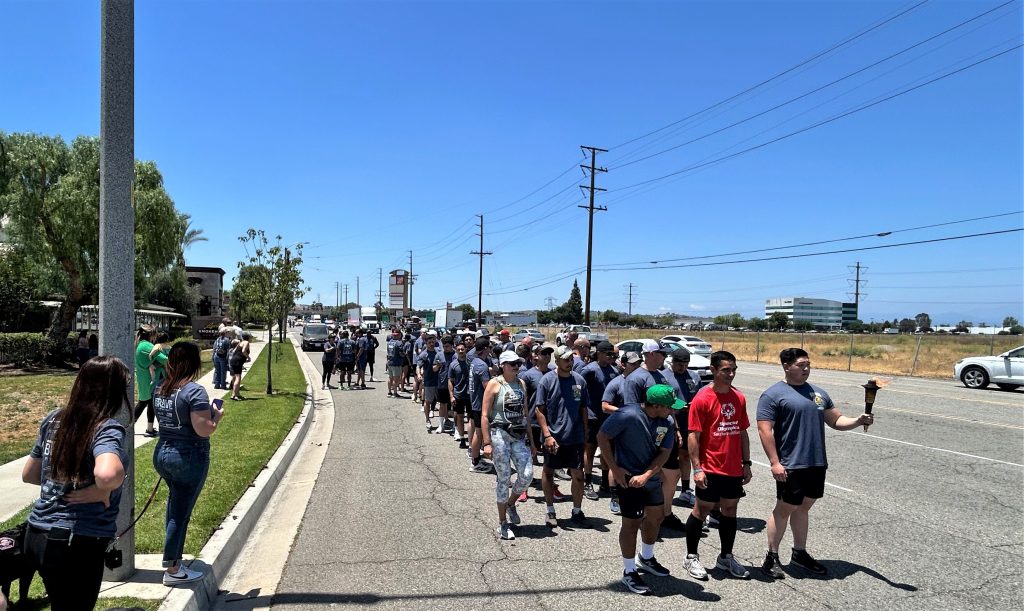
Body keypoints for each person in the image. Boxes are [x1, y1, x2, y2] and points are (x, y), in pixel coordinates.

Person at [21, 356, 131, 610]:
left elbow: (30, 474)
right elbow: (107, 474)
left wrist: (70, 484)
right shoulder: (106, 427)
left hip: (37, 534)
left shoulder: (53, 419)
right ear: (113, 391)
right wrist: (105, 487)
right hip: (74, 540)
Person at [757, 347, 874, 579]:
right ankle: (771, 556)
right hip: (791, 463)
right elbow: (764, 429)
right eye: (801, 365)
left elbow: (836, 420)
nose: (806, 369)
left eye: (808, 364)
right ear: (786, 366)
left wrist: (858, 420)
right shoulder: (773, 395)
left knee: (804, 507)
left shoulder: (818, 394)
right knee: (784, 508)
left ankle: (799, 553)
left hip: (816, 462)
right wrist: (774, 462)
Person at [152, 342, 224, 586]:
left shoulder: (161, 387)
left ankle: (174, 561)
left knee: (175, 507)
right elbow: (203, 429)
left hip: (163, 452)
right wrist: (216, 416)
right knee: (180, 513)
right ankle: (173, 569)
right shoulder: (194, 391)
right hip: (187, 456)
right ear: (194, 363)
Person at [683, 351, 752, 581]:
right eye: (726, 370)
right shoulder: (703, 398)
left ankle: (725, 556)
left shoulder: (738, 398)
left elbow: (742, 432)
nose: (731, 374)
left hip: (733, 468)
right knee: (701, 510)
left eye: (734, 369)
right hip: (710, 467)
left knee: (730, 511)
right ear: (713, 370)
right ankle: (691, 556)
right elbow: (694, 435)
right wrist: (697, 468)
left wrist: (747, 463)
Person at [482, 351, 536, 540]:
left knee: (527, 474)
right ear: (502, 365)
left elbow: (526, 413)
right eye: (512, 364)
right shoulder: (494, 384)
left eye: (518, 363)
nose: (516, 366)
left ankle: (511, 503)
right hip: (499, 435)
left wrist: (532, 442)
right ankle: (503, 522)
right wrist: (487, 443)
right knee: (504, 478)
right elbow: (484, 415)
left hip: (518, 435)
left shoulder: (521, 384)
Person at [535, 345, 591, 528]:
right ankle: (550, 510)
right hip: (554, 437)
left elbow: (584, 408)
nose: (570, 362)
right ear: (557, 361)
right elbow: (539, 410)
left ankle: (577, 510)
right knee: (549, 472)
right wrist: (547, 434)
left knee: (578, 474)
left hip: (575, 437)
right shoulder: (547, 381)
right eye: (566, 360)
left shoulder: (579, 381)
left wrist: (585, 431)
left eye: (571, 359)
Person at [601, 351, 643, 515]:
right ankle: (615, 497)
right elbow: (604, 406)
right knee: (616, 463)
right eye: (633, 364)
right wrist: (626, 413)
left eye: (639, 363)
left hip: (638, 429)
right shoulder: (616, 383)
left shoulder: (641, 382)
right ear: (624, 364)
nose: (637, 366)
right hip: (618, 428)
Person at [668, 347, 707, 511]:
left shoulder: (694, 376)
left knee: (686, 455)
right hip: (672, 421)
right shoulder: (665, 377)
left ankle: (685, 489)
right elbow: (664, 399)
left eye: (685, 363)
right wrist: (680, 406)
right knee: (668, 459)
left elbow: (700, 396)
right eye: (678, 363)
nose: (682, 367)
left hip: (691, 423)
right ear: (672, 362)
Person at [580, 341, 619, 501]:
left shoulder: (614, 371)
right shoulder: (589, 370)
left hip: (608, 417)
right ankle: (587, 481)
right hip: (592, 416)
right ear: (599, 353)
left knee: (607, 450)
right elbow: (578, 388)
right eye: (608, 354)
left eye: (613, 355)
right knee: (589, 450)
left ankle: (605, 481)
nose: (611, 357)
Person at [467, 337, 494, 473]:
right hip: (479, 403)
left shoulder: (475, 362)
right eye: (489, 347)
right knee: (479, 432)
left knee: (478, 432)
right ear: (485, 349)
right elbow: (487, 387)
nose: (490, 349)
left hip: (474, 401)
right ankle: (475, 462)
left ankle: (475, 457)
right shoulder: (481, 365)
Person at [133, 324, 158, 436]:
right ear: (151, 335)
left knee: (146, 403)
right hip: (149, 379)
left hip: (143, 378)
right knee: (145, 403)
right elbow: (163, 359)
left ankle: (149, 428)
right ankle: (148, 429)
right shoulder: (147, 345)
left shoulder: (140, 345)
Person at [448, 340, 472, 448]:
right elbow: (450, 381)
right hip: (459, 395)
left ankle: (472, 442)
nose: (461, 351)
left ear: (466, 349)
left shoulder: (471, 363)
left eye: (462, 349)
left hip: (471, 395)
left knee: (471, 419)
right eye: (459, 349)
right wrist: (451, 396)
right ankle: (462, 438)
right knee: (460, 417)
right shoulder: (453, 365)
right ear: (456, 351)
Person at [416, 333, 443, 432]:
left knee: (443, 402)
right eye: (429, 342)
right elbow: (418, 366)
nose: (432, 344)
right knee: (428, 401)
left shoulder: (439, 352)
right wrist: (419, 374)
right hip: (429, 381)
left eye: (433, 342)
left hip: (440, 381)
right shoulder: (424, 354)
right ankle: (427, 420)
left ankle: (444, 421)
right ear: (426, 343)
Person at [436, 336, 456, 434]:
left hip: (454, 384)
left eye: (447, 346)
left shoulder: (456, 355)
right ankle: (441, 425)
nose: (445, 348)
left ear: (452, 346)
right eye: (444, 346)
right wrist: (437, 366)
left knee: (454, 406)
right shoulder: (439, 355)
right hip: (442, 383)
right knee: (442, 404)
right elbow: (434, 369)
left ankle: (456, 427)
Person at [228, 334, 250, 401]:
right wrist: (248, 357)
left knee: (235, 377)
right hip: (237, 362)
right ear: (248, 338)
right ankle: (235, 395)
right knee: (238, 378)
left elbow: (234, 351)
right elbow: (243, 351)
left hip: (233, 361)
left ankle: (236, 394)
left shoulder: (240, 343)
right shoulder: (246, 342)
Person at [386, 330, 405, 397]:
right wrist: (403, 355)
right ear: (398, 335)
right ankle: (395, 392)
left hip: (390, 362)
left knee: (390, 378)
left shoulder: (389, 342)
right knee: (396, 379)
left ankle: (389, 392)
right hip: (396, 362)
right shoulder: (399, 343)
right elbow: (401, 353)